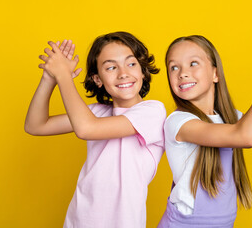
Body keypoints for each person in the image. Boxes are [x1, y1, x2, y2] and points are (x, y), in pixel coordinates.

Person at [24, 32, 166, 228]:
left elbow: (86, 129)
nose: (123, 73)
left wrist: (64, 75)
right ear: (97, 79)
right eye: (111, 67)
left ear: (143, 71)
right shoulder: (95, 112)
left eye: (131, 64)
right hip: (77, 221)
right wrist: (50, 79)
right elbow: (36, 125)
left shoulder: (152, 111)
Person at [158, 35, 252, 228]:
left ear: (215, 73)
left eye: (193, 63)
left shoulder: (231, 119)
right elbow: (247, 137)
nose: (182, 73)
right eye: (174, 67)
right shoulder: (179, 122)